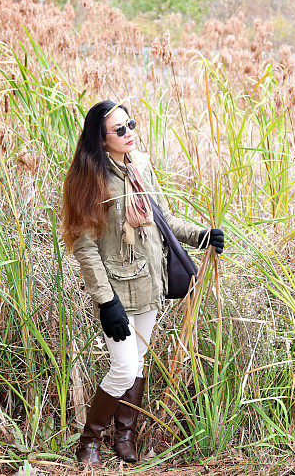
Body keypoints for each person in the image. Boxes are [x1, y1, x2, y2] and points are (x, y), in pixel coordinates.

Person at [61, 100, 225, 468]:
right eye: (119, 129)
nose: (129, 132)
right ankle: (89, 443)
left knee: (137, 365)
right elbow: (85, 250)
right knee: (122, 366)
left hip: (149, 282)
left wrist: (201, 236)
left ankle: (125, 437)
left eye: (131, 123)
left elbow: (163, 220)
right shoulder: (88, 180)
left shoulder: (140, 168)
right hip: (118, 291)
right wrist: (106, 302)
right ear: (101, 141)